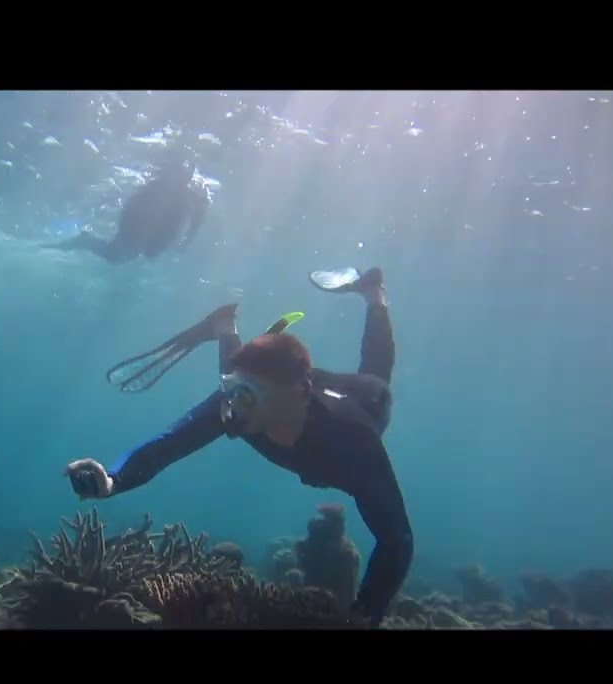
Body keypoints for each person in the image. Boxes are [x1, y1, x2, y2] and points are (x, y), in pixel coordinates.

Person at [65, 266, 412, 628]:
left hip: (366, 403)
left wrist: (366, 614)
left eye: (247, 395)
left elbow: (397, 541)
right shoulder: (235, 404)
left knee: (376, 373)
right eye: (233, 390)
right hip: (290, 402)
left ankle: (373, 295)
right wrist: (113, 480)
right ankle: (224, 327)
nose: (232, 406)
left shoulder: (353, 441)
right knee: (234, 376)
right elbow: (167, 445)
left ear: (300, 393)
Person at [43, 154, 211, 263]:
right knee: (118, 257)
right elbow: (131, 211)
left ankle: (87, 241)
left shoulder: (192, 197)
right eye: (175, 174)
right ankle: (84, 240)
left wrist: (186, 241)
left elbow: (199, 215)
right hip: (137, 226)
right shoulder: (152, 190)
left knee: (145, 255)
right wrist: (133, 235)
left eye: (182, 175)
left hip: (157, 228)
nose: (177, 180)